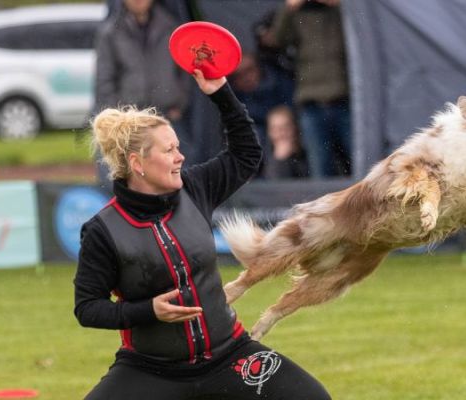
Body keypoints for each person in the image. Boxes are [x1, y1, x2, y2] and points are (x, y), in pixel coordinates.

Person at [74, 69, 330, 399]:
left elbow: (246, 154)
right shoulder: (102, 231)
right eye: (169, 150)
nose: (180, 156)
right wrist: (148, 310)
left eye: (177, 147)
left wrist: (221, 91)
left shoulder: (194, 189)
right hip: (151, 369)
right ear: (137, 163)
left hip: (229, 355)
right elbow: (88, 308)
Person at [93, 0, 191, 190]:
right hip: (130, 123)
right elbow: (104, 81)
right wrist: (117, 116)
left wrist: (179, 102)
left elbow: (184, 72)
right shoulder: (110, 33)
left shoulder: (171, 27)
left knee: (172, 177)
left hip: (167, 117)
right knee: (127, 179)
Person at [267, 0, 351, 178]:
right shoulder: (298, 15)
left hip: (343, 99)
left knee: (360, 160)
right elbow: (277, 40)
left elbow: (361, 32)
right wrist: (289, 7)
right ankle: (323, 206)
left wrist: (342, 5)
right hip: (311, 103)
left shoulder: (339, 13)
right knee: (320, 167)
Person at [263, 105, 309, 179]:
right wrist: (279, 160)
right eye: (275, 129)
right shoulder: (262, 160)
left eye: (285, 127)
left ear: (295, 128)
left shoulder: (310, 156)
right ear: (269, 133)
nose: (281, 133)